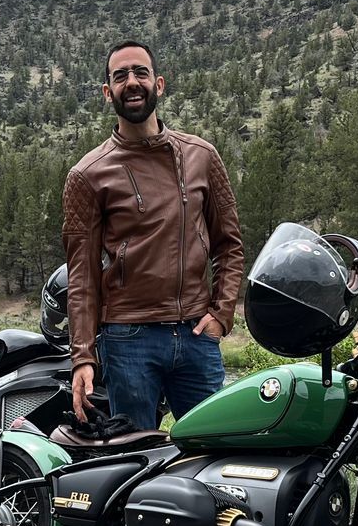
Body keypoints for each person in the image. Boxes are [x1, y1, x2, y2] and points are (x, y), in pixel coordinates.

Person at [61, 40, 245, 434]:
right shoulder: (87, 175)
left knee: (217, 452)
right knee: (135, 460)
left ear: (158, 84)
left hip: (197, 337)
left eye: (140, 73)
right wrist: (83, 357)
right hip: (128, 340)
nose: (132, 82)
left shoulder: (202, 156)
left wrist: (221, 315)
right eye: (120, 75)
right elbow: (82, 276)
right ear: (107, 92)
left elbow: (229, 245)